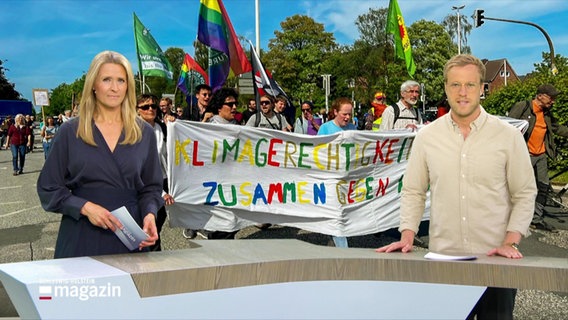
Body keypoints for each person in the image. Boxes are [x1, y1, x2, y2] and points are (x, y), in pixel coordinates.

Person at [376, 54, 537, 320]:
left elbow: (524, 192)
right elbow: (414, 190)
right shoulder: (427, 137)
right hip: (445, 259)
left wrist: (512, 239)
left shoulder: (507, 136)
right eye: (455, 85)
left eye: (470, 85)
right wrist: (407, 234)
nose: (462, 93)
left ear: (482, 88)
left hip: (496, 260)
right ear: (446, 88)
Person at [36, 50, 163, 258]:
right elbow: (48, 187)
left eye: (121, 80)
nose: (114, 88)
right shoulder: (70, 132)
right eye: (107, 79)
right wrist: (84, 207)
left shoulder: (144, 133)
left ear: (128, 86)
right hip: (81, 233)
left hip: (129, 237)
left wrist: (150, 214)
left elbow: (152, 187)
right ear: (94, 85)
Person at [508, 84, 568, 232]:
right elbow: (507, 126)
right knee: (520, 188)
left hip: (540, 155)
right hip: (523, 155)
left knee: (543, 186)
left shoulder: (546, 113)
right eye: (551, 97)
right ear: (540, 96)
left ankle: (536, 219)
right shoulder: (523, 107)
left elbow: (556, 128)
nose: (553, 101)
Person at [137, 94, 175, 251]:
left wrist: (174, 124)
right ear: (137, 110)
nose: (150, 109)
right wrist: (160, 192)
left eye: (153, 106)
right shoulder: (133, 132)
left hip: (164, 178)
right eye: (145, 107)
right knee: (147, 225)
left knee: (158, 222)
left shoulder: (163, 128)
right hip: (143, 184)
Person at [317, 97, 356, 248]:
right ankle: (342, 247)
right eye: (344, 114)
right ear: (335, 112)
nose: (347, 117)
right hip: (331, 178)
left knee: (344, 212)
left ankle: (335, 240)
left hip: (347, 178)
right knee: (336, 212)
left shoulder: (352, 128)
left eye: (349, 114)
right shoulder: (325, 129)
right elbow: (317, 152)